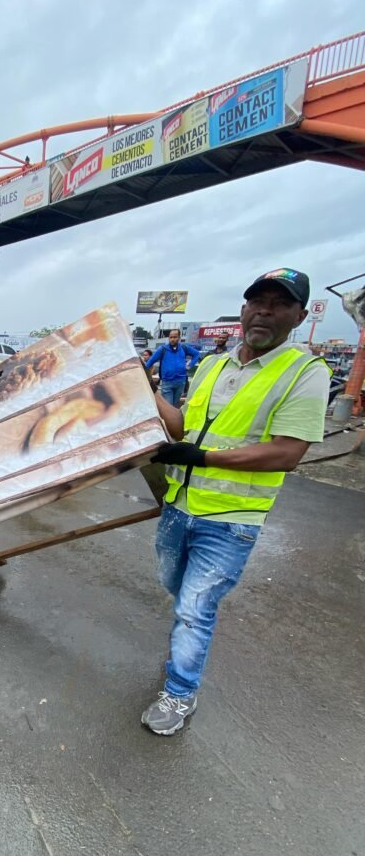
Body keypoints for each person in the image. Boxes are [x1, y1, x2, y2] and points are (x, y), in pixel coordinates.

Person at [141, 268, 330, 735]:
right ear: (243, 309)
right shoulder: (212, 364)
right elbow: (183, 426)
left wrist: (203, 457)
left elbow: (288, 451)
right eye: (256, 301)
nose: (264, 310)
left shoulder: (304, 372)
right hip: (178, 506)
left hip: (231, 521)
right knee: (174, 586)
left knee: (194, 608)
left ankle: (180, 694)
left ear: (299, 315)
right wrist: (145, 391)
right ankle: (186, 642)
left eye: (279, 303)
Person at [145, 329, 200, 405]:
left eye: (175, 337)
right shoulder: (163, 349)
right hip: (167, 382)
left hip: (180, 382)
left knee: (175, 405)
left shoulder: (184, 348)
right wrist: (141, 372)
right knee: (169, 405)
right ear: (168, 338)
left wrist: (189, 365)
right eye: (171, 337)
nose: (172, 339)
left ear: (179, 338)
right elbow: (150, 361)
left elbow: (196, 354)